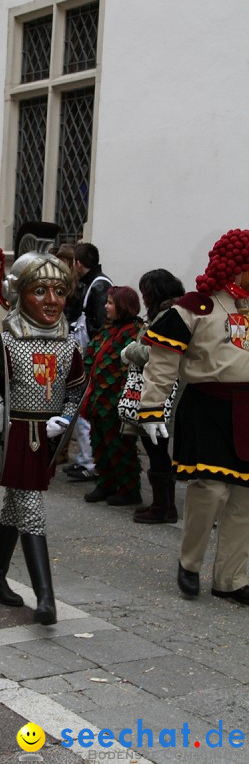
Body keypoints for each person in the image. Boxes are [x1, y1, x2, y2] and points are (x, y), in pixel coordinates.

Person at [139, 229, 249, 605]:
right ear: (235, 267)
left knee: (245, 499)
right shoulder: (195, 307)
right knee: (210, 491)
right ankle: (190, 563)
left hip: (248, 409)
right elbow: (162, 365)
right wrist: (151, 408)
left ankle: (231, 578)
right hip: (209, 406)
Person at [0, 252, 85, 624]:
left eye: (59, 291)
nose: (51, 300)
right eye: (40, 290)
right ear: (20, 294)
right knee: (30, 509)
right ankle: (46, 598)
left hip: (45, 437)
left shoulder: (68, 345)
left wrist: (65, 419)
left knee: (16, 507)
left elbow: (76, 390)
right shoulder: (5, 341)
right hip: (15, 437)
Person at [120, 269, 185, 524]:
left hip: (161, 391)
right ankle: (162, 505)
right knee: (154, 446)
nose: (144, 298)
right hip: (161, 388)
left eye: (146, 292)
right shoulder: (169, 313)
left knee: (156, 446)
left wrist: (130, 350)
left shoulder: (169, 316)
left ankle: (163, 507)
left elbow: (159, 353)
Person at [83, 286, 143, 506]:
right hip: (98, 397)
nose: (105, 306)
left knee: (120, 445)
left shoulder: (134, 330)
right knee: (99, 442)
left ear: (123, 306)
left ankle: (129, 489)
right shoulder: (108, 328)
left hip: (116, 398)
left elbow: (131, 366)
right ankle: (106, 483)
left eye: (110, 303)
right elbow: (93, 353)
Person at [65, 243, 113, 482]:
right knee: (79, 410)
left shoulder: (99, 285)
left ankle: (90, 462)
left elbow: (101, 324)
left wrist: (92, 354)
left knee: (84, 411)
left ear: (78, 263)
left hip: (89, 358)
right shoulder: (90, 283)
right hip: (84, 355)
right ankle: (86, 459)